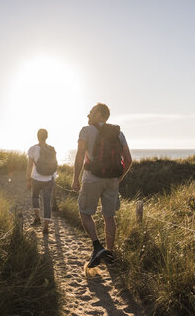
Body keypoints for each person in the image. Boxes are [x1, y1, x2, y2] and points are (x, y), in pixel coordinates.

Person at [71, 103, 132, 267]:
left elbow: (79, 157)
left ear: (99, 114)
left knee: (84, 212)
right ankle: (109, 255)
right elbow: (128, 160)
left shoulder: (86, 130)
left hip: (92, 178)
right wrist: (118, 178)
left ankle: (97, 247)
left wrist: (75, 178)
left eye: (90, 112)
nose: (88, 115)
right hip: (112, 179)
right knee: (109, 217)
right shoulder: (119, 133)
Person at [26, 128, 58, 234]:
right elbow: (54, 164)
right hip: (49, 179)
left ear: (37, 136)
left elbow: (30, 165)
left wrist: (28, 179)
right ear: (47, 137)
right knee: (47, 202)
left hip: (36, 178)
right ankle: (46, 226)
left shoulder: (33, 149)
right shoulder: (51, 149)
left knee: (35, 197)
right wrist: (53, 177)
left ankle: (37, 217)